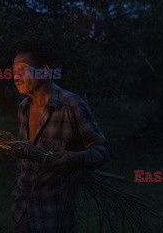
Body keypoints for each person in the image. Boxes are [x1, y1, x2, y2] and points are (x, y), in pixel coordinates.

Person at [11, 42, 113, 233]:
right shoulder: (23, 108)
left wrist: (78, 158)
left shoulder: (71, 104)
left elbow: (104, 149)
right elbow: (22, 159)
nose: (16, 76)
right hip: (21, 210)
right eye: (14, 70)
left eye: (23, 69)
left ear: (44, 71)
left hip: (54, 214)